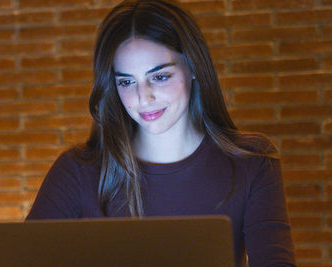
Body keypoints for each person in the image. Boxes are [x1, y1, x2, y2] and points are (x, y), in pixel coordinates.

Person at [26, 0, 296, 266]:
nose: (144, 98)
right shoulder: (77, 171)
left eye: (159, 76)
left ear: (192, 67)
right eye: (127, 82)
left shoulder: (252, 160)